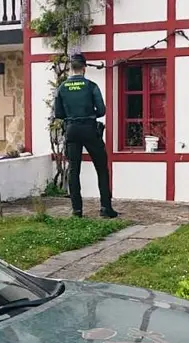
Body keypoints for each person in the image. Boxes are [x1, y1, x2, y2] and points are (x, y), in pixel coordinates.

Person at [53, 53, 119, 219]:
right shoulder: (91, 86)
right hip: (90, 129)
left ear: (70, 68)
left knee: (74, 170)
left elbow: (58, 113)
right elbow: (102, 110)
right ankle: (105, 208)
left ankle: (77, 210)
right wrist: (90, 114)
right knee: (101, 168)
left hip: (71, 130)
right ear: (84, 68)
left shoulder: (62, 88)